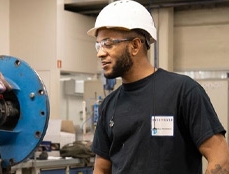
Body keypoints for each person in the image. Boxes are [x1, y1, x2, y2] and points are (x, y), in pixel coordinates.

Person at [86, 0, 229, 173]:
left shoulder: (183, 91)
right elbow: (101, 169)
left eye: (108, 44)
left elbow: (220, 159)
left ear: (135, 45)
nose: (100, 53)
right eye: (98, 45)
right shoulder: (109, 105)